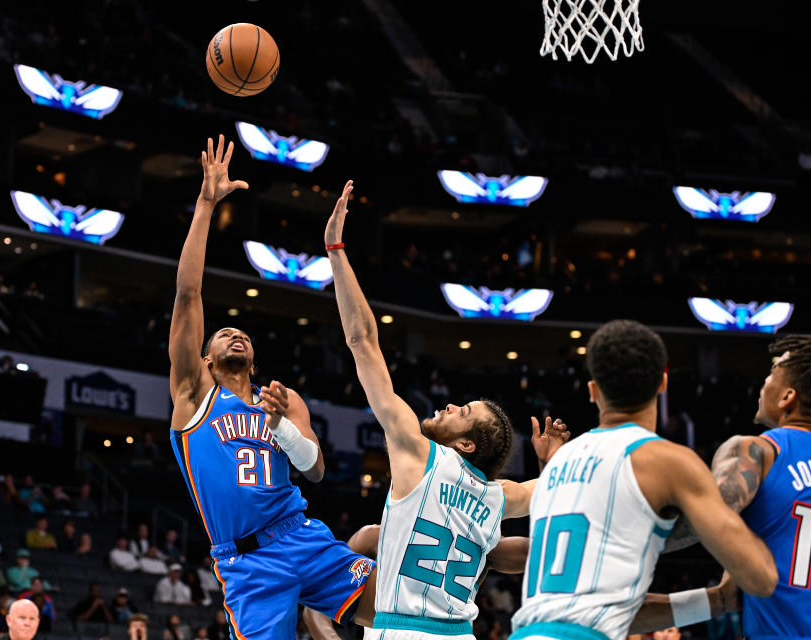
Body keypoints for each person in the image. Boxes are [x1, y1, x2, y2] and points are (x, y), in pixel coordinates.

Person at [319, 180, 557, 636]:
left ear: (466, 443)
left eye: (462, 410)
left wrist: (336, 249)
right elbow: (553, 491)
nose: (449, 405)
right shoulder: (499, 496)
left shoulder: (419, 454)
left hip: (402, 629)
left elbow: (363, 342)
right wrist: (551, 462)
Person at [167, 135, 375, 637]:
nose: (236, 333)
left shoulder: (280, 399)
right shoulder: (194, 394)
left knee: (402, 608)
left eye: (243, 333)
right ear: (204, 357)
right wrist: (205, 205)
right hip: (247, 563)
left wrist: (281, 426)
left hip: (302, 536)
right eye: (223, 333)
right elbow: (188, 291)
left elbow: (316, 470)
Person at [509, 320, 778, 640]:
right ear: (663, 383)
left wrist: (714, 602)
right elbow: (760, 578)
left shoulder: (557, 464)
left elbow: (607, 611)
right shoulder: (666, 461)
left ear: (593, 391)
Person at [659, 334, 811, 639]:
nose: (764, 383)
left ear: (788, 397)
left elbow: (702, 521)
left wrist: (615, 539)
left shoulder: (756, 452)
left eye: (772, 374)